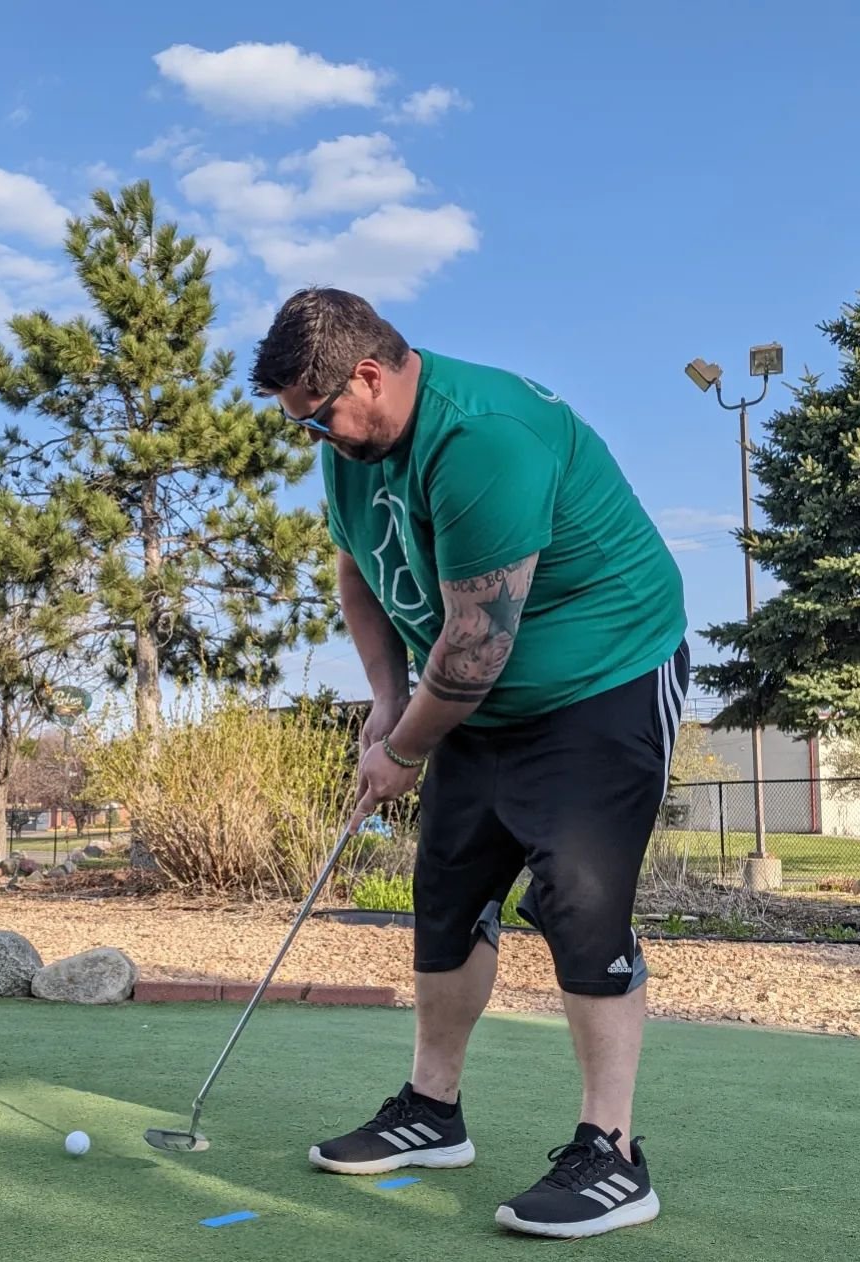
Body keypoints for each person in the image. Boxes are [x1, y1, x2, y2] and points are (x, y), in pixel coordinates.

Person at [249, 288, 688, 1240]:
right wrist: (382, 695)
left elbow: (477, 647)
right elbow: (358, 569)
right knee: (446, 889)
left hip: (600, 674)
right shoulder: (357, 450)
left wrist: (404, 747)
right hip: (475, 692)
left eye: (320, 417)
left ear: (369, 375)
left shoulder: (483, 438)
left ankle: (611, 1153)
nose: (317, 438)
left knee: (575, 895)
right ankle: (430, 1110)